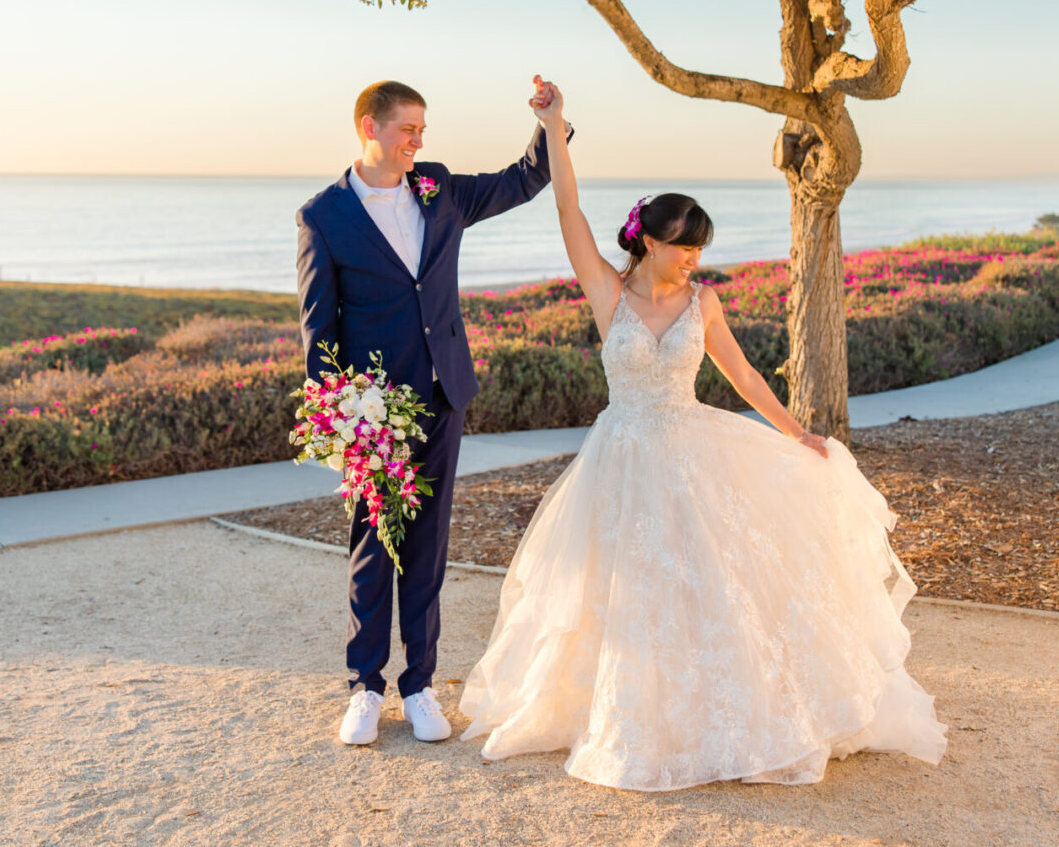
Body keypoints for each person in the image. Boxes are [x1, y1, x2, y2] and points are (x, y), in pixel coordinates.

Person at [456, 76, 948, 790]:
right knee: (623, 587)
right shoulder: (606, 291)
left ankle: (719, 713)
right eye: (683, 248)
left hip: (688, 454)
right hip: (619, 459)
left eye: (699, 249)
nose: (693, 258)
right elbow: (567, 208)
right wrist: (555, 127)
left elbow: (746, 378)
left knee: (704, 584)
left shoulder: (704, 302)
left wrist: (797, 434)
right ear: (649, 242)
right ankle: (626, 713)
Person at [294, 80, 574, 747]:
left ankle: (419, 686)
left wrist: (551, 120)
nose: (418, 140)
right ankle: (365, 687)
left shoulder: (440, 188)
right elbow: (318, 326)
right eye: (407, 129)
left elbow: (526, 178)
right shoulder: (322, 215)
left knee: (427, 545)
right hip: (374, 411)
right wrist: (340, 412)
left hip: (443, 394)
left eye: (422, 128)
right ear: (370, 125)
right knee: (372, 545)